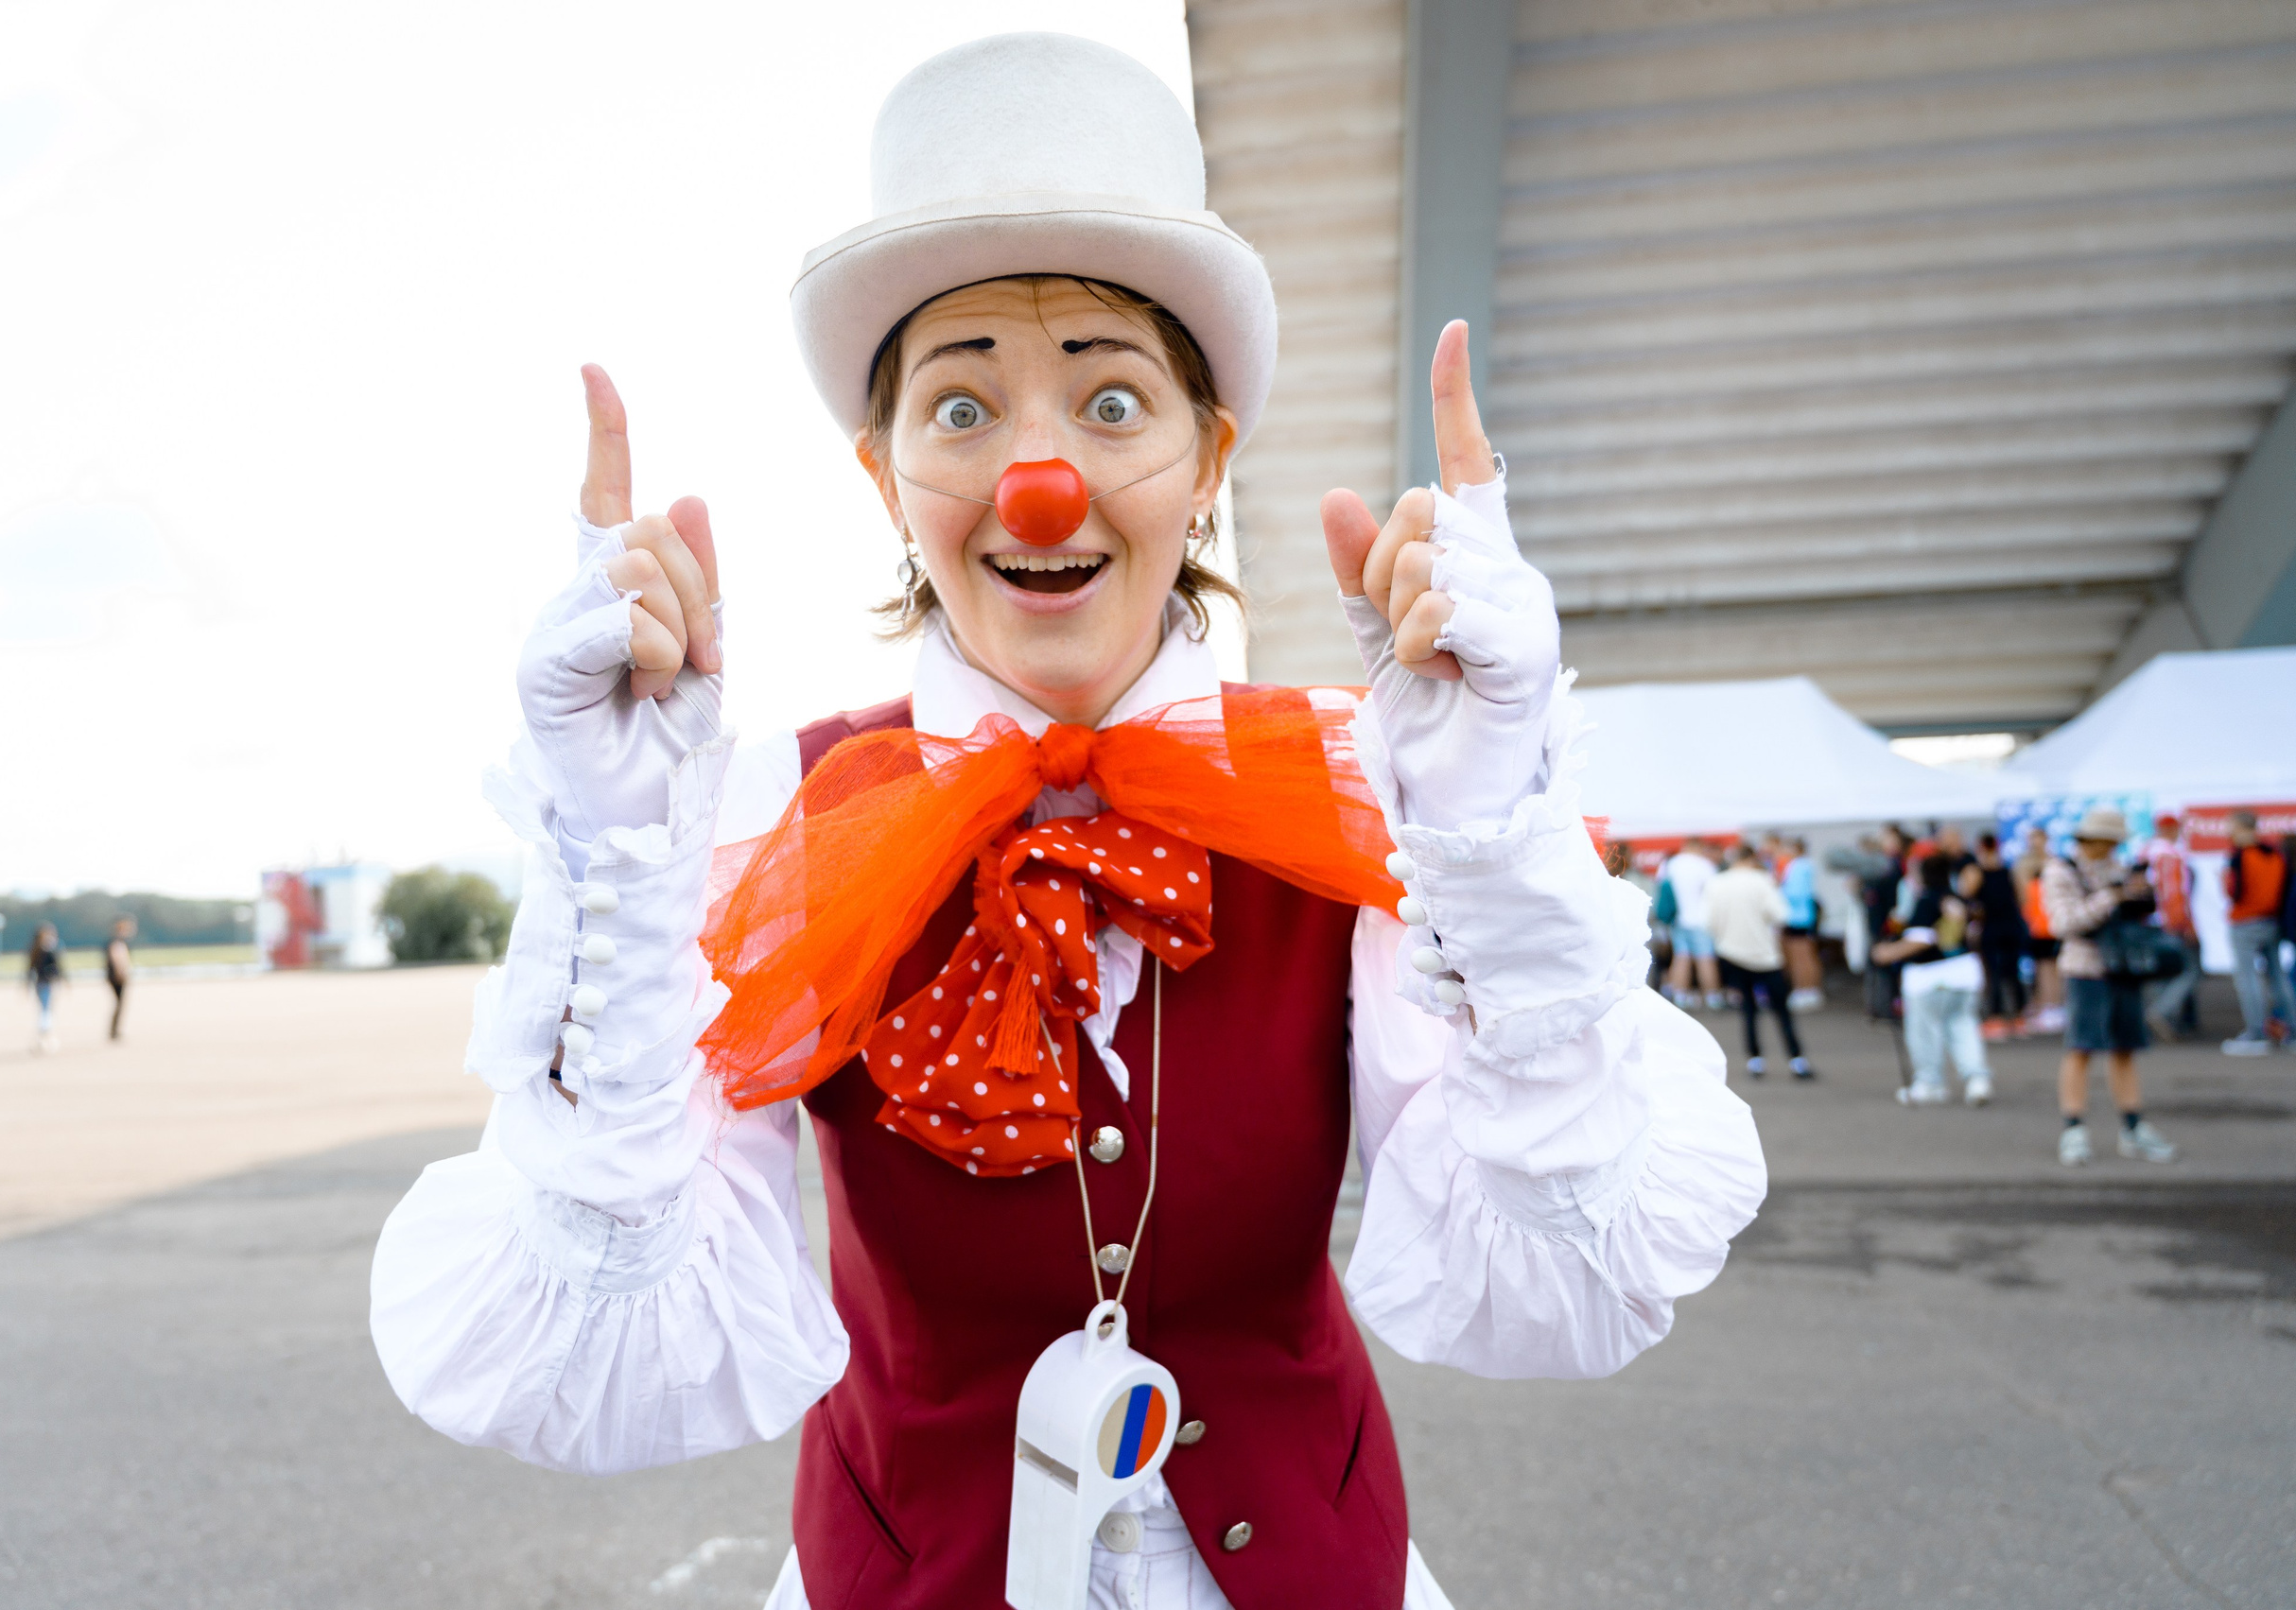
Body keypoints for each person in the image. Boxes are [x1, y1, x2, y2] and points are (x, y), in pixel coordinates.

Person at [365, 37, 1766, 1610]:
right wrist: (614, 845)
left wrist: (1492, 822)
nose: (1041, 479)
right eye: (960, 408)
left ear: (1209, 456)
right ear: (886, 475)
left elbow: (1556, 1259)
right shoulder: (782, 809)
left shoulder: (1366, 799)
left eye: (1112, 399)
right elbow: (605, 1294)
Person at [2043, 808, 2175, 1165]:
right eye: (2109, 842)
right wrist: (2110, 897)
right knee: (2081, 1048)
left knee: (2126, 1048)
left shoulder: (2119, 867)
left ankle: (2134, 1126)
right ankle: (2073, 1129)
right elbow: (2062, 923)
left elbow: (2138, 911)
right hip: (2084, 969)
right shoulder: (2061, 870)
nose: (2113, 849)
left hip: (2123, 967)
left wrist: (2139, 895)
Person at [1874, 855, 1992, 1106]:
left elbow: (1921, 939)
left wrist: (1887, 953)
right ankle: (1977, 1078)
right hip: (1964, 973)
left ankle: (1929, 1082)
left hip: (1929, 976)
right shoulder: (1959, 900)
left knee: (1925, 1030)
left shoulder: (1926, 900)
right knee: (1963, 1025)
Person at [1706, 843, 1813, 1079]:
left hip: (1731, 953)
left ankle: (1755, 1060)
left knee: (1748, 1009)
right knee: (1781, 1010)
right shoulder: (1762, 881)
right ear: (1752, 859)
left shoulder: (1716, 883)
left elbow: (1710, 921)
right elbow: (1781, 915)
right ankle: (1796, 1059)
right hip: (1765, 956)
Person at [2219, 809, 2291, 1055]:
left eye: (2230, 826)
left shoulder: (2240, 856)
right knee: (2277, 977)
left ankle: (2256, 1033)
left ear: (2240, 827)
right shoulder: (2274, 854)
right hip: (2272, 921)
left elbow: (2233, 892)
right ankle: (2291, 1031)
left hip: (2245, 921)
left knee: (2248, 978)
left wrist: (2224, 879)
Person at [2140, 815, 2200, 1041]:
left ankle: (2157, 1017)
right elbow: (2173, 892)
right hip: (2168, 922)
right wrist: (2183, 923)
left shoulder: (2145, 851)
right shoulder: (2170, 854)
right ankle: (2160, 1013)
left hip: (2148, 922)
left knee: (2160, 973)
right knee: (2188, 970)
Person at [1971, 832, 2030, 1041]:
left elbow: (1967, 894)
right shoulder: (2009, 870)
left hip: (1994, 928)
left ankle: (1998, 1018)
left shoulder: (1978, 871)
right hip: (2010, 926)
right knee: (2011, 973)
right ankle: (2018, 1017)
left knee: (1995, 974)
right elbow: (2023, 897)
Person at [2015, 826, 2066, 1034]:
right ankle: (2048, 1006)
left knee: (2058, 966)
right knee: (2043, 967)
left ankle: (2057, 1006)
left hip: (2056, 921)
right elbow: (2022, 894)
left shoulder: (2055, 861)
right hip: (2037, 923)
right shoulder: (2024, 864)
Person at [1661, 839, 1723, 1010]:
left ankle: (1680, 996)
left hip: (1678, 918)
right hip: (1700, 920)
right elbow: (1715, 893)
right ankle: (1713, 997)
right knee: (1705, 958)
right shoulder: (1705, 865)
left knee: (1681, 956)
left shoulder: (1672, 864)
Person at [1777, 836, 1822, 1009]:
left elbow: (1794, 893)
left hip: (1796, 917)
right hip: (1801, 916)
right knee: (1805, 955)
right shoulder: (1804, 865)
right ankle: (1808, 989)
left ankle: (1803, 989)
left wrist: (1778, 888)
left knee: (1800, 956)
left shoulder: (1797, 866)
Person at [26, 923, 62, 1054]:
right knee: (45, 1010)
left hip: (42, 983)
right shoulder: (45, 950)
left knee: (45, 1008)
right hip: (44, 983)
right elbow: (56, 968)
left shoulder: (38, 949)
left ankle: (44, 1034)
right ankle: (44, 1033)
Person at [104, 916, 136, 1043]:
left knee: (119, 1004)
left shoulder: (117, 941)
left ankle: (115, 1030)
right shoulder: (117, 942)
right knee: (119, 1003)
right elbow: (117, 959)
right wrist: (121, 973)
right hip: (117, 977)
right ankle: (114, 1030)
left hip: (116, 976)